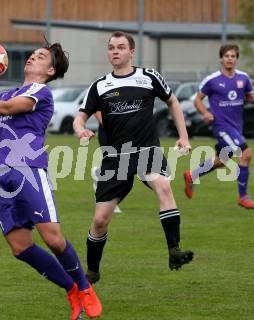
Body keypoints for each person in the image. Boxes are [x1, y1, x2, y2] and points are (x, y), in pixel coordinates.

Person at [0, 42, 102, 320]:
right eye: (32, 55)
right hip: (0, 176)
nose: (32, 58)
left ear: (50, 70)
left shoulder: (41, 92)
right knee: (20, 247)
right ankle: (71, 288)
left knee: (53, 239)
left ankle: (85, 288)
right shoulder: (5, 93)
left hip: (29, 171)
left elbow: (9, 108)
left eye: (40, 57)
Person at [73, 31, 194, 284]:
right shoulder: (100, 85)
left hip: (146, 151)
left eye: (120, 47)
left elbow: (172, 101)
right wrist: (80, 128)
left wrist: (183, 136)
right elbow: (81, 115)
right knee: (100, 220)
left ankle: (174, 250)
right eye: (111, 48)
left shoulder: (148, 77)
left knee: (163, 186)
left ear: (131, 52)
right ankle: (92, 271)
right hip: (115, 158)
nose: (115, 51)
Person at [184, 44, 254, 209]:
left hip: (237, 126)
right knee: (246, 153)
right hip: (222, 126)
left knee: (221, 160)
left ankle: (192, 175)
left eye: (233, 56)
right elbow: (197, 99)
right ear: (221, 59)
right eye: (226, 56)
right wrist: (205, 113)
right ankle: (243, 197)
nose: (229, 59)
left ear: (236, 59)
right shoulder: (212, 80)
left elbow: (249, 94)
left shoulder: (243, 78)